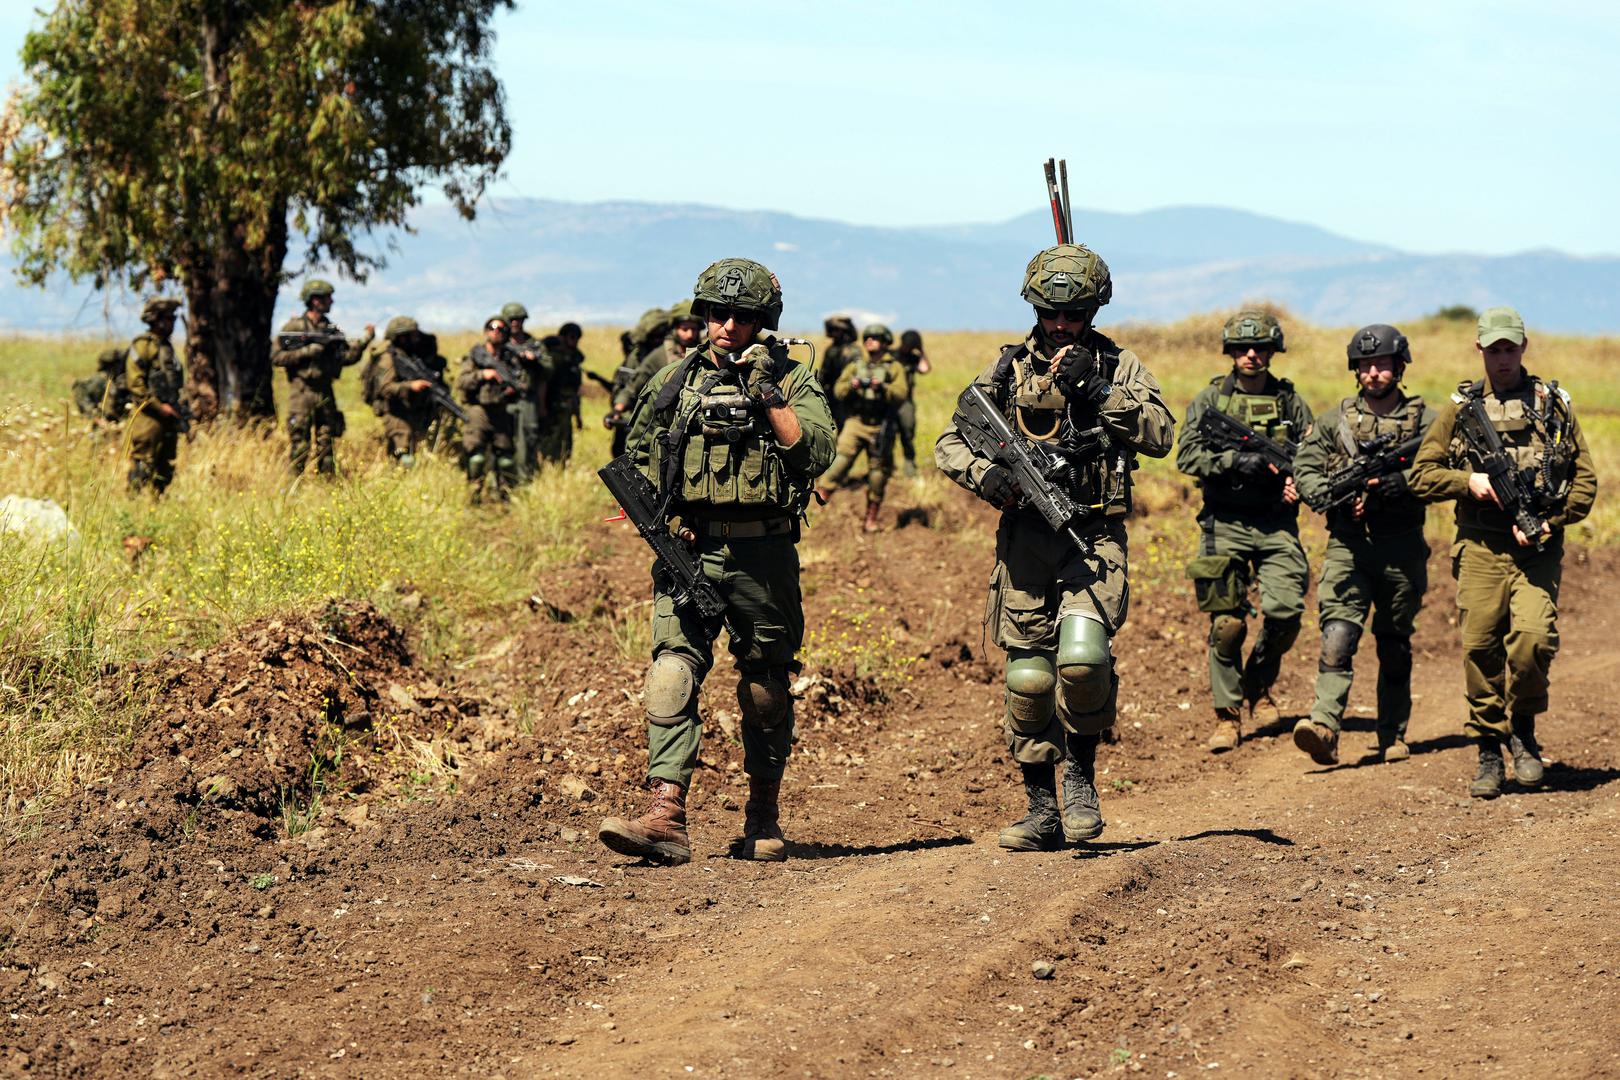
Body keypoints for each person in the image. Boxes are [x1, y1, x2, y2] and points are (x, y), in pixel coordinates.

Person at [935, 243, 1174, 850]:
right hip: (1024, 541)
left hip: (1092, 536)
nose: (1060, 324)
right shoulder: (1008, 369)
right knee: (1030, 678)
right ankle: (1041, 807)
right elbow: (951, 440)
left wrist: (1095, 391)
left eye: (1073, 313)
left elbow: (1160, 433)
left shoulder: (1118, 366)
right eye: (1049, 312)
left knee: (1083, 660)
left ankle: (1082, 779)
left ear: (1094, 309)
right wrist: (987, 478)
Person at [597, 257, 835, 865]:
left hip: (765, 554)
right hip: (690, 550)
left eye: (742, 317)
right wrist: (662, 522)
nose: (726, 325)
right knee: (671, 672)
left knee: (764, 687)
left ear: (764, 322)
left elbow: (814, 453)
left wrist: (767, 394)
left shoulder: (792, 379)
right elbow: (639, 454)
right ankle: (666, 812)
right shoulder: (675, 380)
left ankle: (763, 816)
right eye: (716, 314)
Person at [1409, 306, 1597, 798]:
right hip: (1481, 545)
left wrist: (1549, 523)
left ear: (1523, 348)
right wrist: (1467, 482)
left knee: (1533, 642)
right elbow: (1422, 475)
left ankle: (1524, 729)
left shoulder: (1552, 405)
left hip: (1537, 549)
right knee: (1480, 646)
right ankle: (1490, 749)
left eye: (1510, 348)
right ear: (1480, 351)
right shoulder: (1460, 410)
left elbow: (1585, 480)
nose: (1503, 358)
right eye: (1494, 350)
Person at [1291, 325, 1437, 766]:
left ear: (1399, 366)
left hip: (1401, 545)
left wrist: (1403, 485)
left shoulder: (1426, 421)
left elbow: (1446, 468)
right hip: (1348, 546)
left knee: (1394, 644)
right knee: (1337, 634)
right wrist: (1332, 499)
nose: (1374, 373)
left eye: (1382, 364)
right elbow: (1308, 467)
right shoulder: (1336, 420)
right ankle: (1324, 726)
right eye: (1365, 365)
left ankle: (1393, 734)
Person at [1175, 311, 1313, 753]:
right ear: (1230, 352)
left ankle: (1258, 683)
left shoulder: (1290, 402)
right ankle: (1227, 715)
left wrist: (1299, 483)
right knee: (1228, 624)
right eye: (1241, 348)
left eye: (1259, 348)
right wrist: (1237, 463)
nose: (1251, 355)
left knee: (1287, 611)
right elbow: (1188, 456)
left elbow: (1313, 456)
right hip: (1225, 521)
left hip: (1276, 522)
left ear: (1273, 351)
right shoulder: (1210, 400)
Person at [271, 279, 373, 478]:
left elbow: (346, 357)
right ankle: (294, 486)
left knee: (327, 441)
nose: (331, 301)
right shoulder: (295, 327)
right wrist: (307, 351)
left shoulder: (331, 331)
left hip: (325, 391)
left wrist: (364, 341)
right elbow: (277, 357)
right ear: (315, 300)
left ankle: (327, 483)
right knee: (300, 442)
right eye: (327, 297)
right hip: (301, 392)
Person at [815, 324, 907, 532]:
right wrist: (853, 386)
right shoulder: (856, 365)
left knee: (877, 474)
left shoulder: (894, 367)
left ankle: (871, 519)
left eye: (875, 337)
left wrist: (882, 387)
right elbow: (839, 389)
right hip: (856, 422)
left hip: (881, 425)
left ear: (885, 342)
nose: (869, 341)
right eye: (867, 337)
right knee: (839, 463)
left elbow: (901, 394)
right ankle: (817, 508)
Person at [606, 301, 705, 429]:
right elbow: (633, 387)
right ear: (675, 329)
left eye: (694, 329)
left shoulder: (705, 353)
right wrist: (617, 410)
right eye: (685, 329)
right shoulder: (660, 355)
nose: (690, 334)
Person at [365, 316, 446, 467]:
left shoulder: (412, 357)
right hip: (395, 412)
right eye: (412, 335)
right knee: (405, 459)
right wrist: (410, 386)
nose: (417, 339)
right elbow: (384, 388)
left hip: (415, 410)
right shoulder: (388, 359)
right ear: (402, 338)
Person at [456, 316, 522, 502]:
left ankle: (504, 496)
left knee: (506, 460)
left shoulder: (509, 359)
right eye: (492, 328)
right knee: (476, 458)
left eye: (501, 329)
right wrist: (482, 375)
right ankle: (474, 496)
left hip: (501, 411)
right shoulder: (475, 356)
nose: (496, 332)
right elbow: (461, 381)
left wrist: (510, 389)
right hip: (478, 411)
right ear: (486, 331)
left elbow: (520, 384)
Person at [124, 297, 186, 495]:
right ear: (156, 320)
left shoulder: (166, 347)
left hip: (169, 416)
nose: (172, 324)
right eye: (168, 319)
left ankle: (157, 504)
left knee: (165, 465)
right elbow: (135, 384)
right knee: (143, 463)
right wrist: (159, 407)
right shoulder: (143, 345)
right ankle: (133, 503)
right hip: (148, 418)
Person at [503, 301, 551, 480]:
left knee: (527, 440)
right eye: (512, 319)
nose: (515, 323)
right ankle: (503, 481)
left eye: (519, 319)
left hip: (528, 399)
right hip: (504, 400)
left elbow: (548, 371)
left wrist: (534, 361)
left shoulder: (534, 345)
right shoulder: (500, 344)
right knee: (503, 440)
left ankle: (525, 480)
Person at [538, 321, 586, 463]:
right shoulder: (553, 358)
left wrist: (577, 415)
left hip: (566, 408)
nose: (575, 341)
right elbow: (543, 384)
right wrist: (542, 408)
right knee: (549, 445)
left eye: (577, 338)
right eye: (572, 337)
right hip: (551, 406)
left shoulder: (573, 360)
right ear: (563, 337)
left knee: (565, 446)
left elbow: (574, 391)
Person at [893, 329, 933, 476]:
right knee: (887, 434)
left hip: (906, 402)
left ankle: (909, 464)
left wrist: (921, 350)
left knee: (907, 432)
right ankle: (887, 466)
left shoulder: (913, 358)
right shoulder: (892, 356)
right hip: (890, 401)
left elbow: (925, 368)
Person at [818, 315, 861, 429]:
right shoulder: (831, 349)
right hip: (830, 394)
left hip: (846, 395)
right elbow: (824, 373)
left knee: (845, 427)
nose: (834, 333)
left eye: (837, 330)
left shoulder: (853, 351)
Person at [73, 347, 130, 424]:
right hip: (102, 422)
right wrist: (96, 417)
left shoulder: (121, 379)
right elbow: (80, 389)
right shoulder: (101, 379)